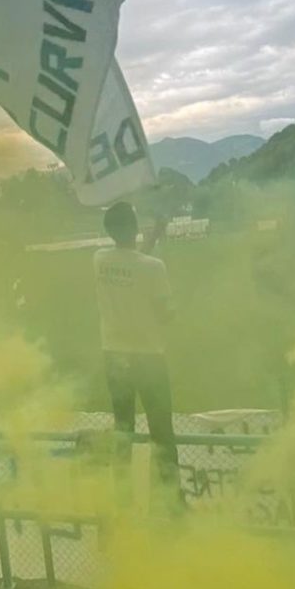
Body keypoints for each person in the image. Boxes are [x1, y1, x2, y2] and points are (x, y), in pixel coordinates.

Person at [93, 202, 181, 511]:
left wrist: (153, 236)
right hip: (148, 357)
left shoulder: (99, 260)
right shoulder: (154, 267)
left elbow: (129, 265)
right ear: (135, 227)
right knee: (162, 432)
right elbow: (165, 313)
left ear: (110, 231)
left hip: (114, 356)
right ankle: (170, 503)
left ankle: (122, 501)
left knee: (123, 430)